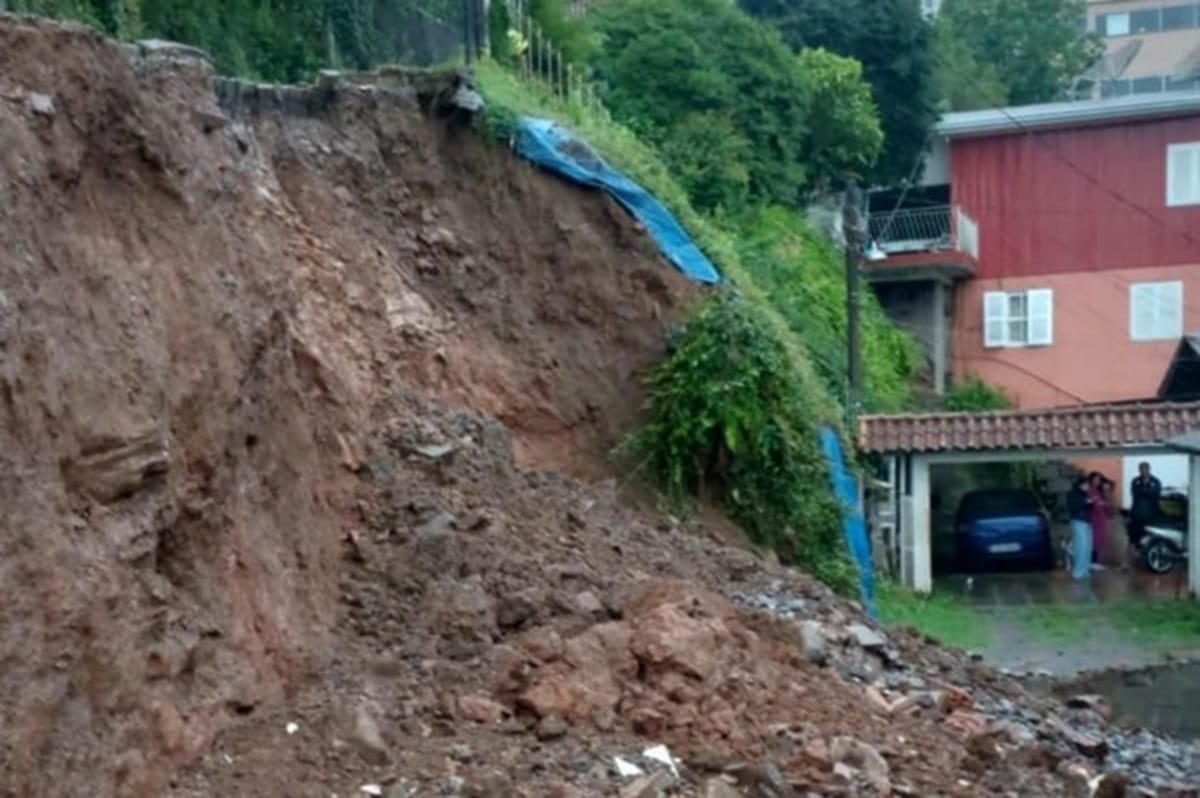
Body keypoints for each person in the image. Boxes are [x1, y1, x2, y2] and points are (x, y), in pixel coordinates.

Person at [1128, 461, 1162, 548]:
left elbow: (1155, 494)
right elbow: (1135, 493)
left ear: (1149, 469)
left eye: (1145, 469)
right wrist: (1147, 492)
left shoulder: (1155, 481)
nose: (1143, 471)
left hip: (1150, 515)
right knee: (1135, 536)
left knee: (1149, 536)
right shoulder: (1135, 481)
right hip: (1137, 514)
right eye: (1141, 469)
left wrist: (1145, 492)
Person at [1067, 475, 1093, 580]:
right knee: (1081, 547)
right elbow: (1074, 507)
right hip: (1078, 522)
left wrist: (1089, 503)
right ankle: (1078, 572)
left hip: (1086, 522)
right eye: (1086, 485)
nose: (1088, 487)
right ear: (1081, 485)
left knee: (1087, 547)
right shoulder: (1073, 494)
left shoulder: (1084, 494)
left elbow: (1088, 507)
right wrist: (1085, 503)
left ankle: (1085, 570)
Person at [1086, 472, 1112, 569]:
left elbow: (1107, 505)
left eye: (1099, 480)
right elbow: (1091, 503)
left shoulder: (1099, 491)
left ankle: (1095, 560)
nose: (1097, 481)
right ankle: (1092, 561)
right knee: (1093, 540)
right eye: (1096, 479)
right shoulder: (1089, 490)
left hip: (1101, 519)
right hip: (1094, 518)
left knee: (1099, 539)